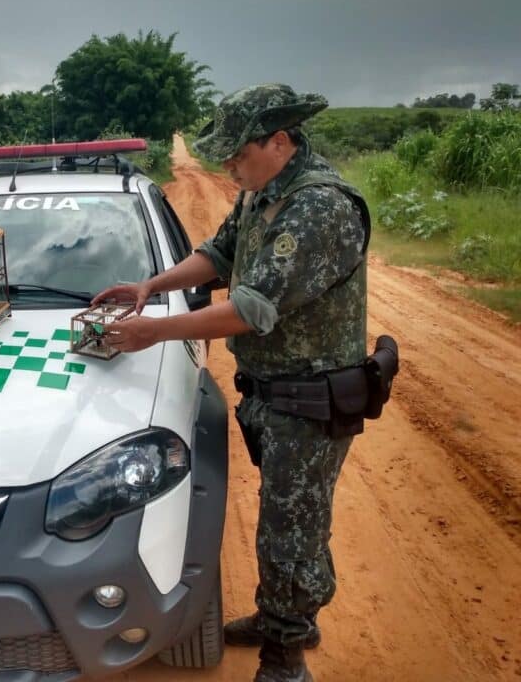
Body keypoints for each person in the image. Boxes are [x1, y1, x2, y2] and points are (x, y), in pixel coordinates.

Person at [92, 83, 369, 682]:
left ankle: (285, 658)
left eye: (236, 154)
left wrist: (154, 331)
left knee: (288, 530)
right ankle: (286, 620)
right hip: (276, 393)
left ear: (278, 140)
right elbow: (219, 256)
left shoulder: (318, 207)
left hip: (311, 398)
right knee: (293, 516)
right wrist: (151, 287)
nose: (226, 166)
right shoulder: (263, 192)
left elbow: (251, 307)